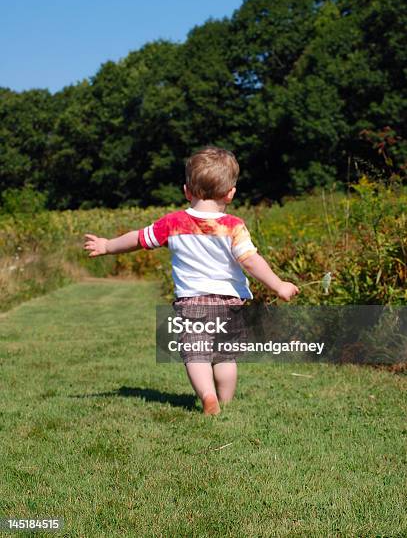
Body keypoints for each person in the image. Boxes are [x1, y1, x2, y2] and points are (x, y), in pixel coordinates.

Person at [83, 146, 299, 416]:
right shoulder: (233, 225)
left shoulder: (172, 223)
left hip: (192, 302)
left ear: (187, 190)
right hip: (229, 302)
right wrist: (279, 285)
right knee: (225, 357)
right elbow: (250, 260)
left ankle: (208, 397)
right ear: (230, 194)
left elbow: (138, 239)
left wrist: (107, 245)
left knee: (196, 354)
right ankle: (226, 401)